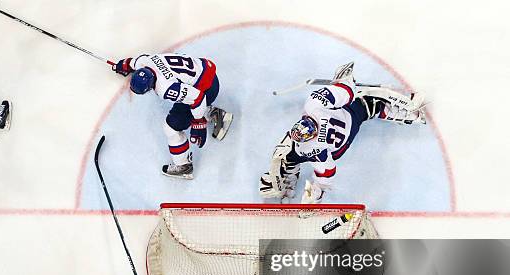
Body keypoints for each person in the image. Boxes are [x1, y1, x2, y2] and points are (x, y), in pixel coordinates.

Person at [259, 62, 426, 203]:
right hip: (349, 121)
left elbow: (327, 170)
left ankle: (288, 176)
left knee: (286, 155)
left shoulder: (309, 148)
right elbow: (344, 92)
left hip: (338, 148)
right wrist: (346, 83)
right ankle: (404, 113)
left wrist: (318, 190)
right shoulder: (314, 105)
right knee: (367, 105)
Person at [113, 53, 233, 179]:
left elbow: (198, 98)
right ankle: (216, 115)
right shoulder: (144, 61)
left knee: (171, 127)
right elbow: (132, 62)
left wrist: (199, 123)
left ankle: (184, 167)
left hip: (206, 89)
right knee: (188, 103)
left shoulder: (166, 87)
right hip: (207, 72)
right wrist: (124, 65)